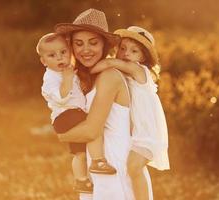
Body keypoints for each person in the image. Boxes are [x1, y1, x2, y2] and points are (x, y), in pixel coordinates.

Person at [54, 8, 153, 200]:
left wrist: (61, 135)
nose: (86, 50)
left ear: (105, 45)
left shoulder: (109, 76)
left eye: (93, 43)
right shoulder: (89, 77)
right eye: (79, 43)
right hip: (99, 163)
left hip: (115, 164)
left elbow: (91, 131)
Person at [91, 26, 170, 200]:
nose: (126, 53)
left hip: (148, 132)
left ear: (142, 57)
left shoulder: (139, 70)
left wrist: (84, 71)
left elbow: (110, 62)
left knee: (134, 167)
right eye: (123, 48)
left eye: (134, 51)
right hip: (138, 132)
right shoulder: (124, 73)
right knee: (132, 169)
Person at [36, 33, 116, 194]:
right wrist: (67, 79)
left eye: (63, 52)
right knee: (94, 125)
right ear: (44, 61)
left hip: (69, 116)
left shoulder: (68, 70)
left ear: (69, 52)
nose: (60, 58)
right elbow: (61, 97)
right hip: (66, 115)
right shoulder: (51, 77)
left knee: (79, 153)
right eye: (52, 55)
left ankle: (81, 181)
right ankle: (98, 161)